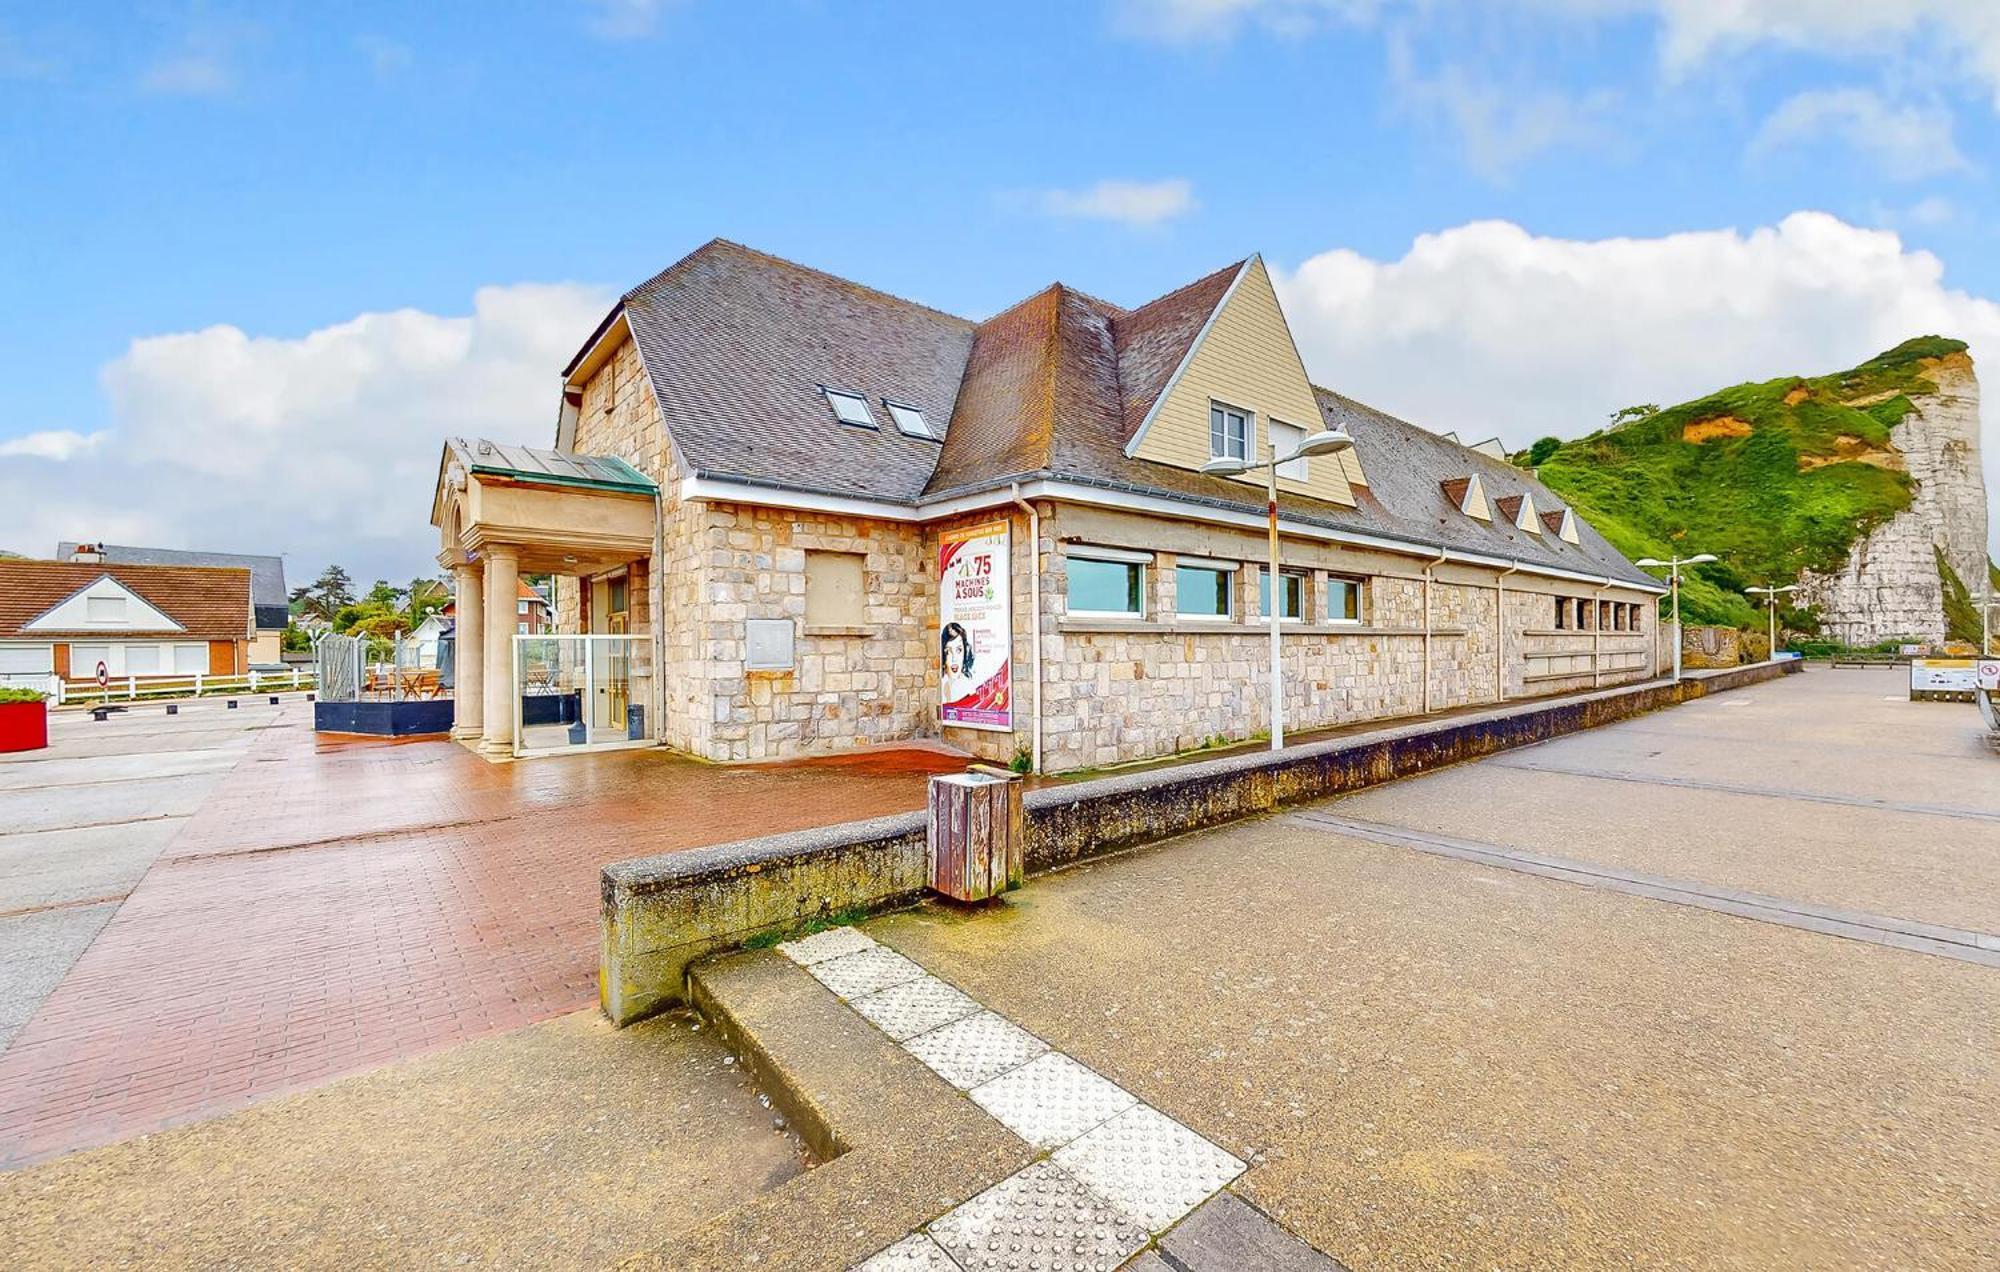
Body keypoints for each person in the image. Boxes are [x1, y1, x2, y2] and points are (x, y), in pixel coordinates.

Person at [941, 621, 975, 702]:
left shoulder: (968, 687)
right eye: (948, 652)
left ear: (965, 652)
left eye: (959, 650)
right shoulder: (944, 685)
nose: (954, 659)